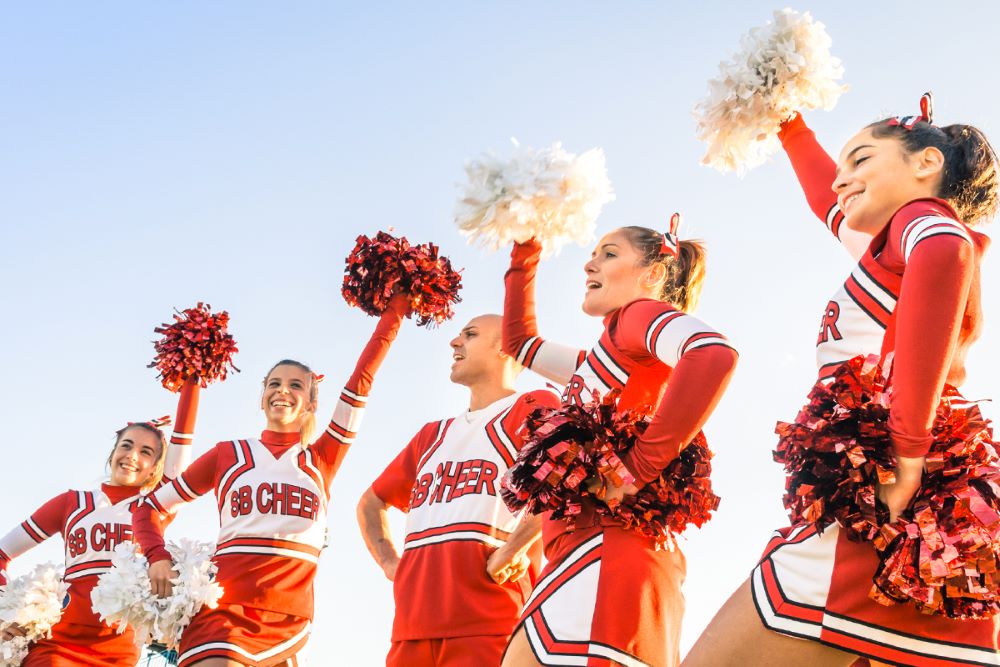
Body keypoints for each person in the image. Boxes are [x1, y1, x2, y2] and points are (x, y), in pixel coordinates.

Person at [684, 96, 999, 666]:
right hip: (916, 508)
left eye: (860, 159)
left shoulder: (922, 220)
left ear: (926, 163)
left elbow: (944, 248)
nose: (841, 180)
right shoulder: (885, 247)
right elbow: (822, 197)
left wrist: (904, 453)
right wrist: (787, 123)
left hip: (887, 500)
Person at [499, 221, 739, 667]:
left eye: (609, 253)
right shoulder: (602, 356)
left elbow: (712, 352)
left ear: (652, 273)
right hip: (584, 553)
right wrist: (526, 246)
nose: (589, 263)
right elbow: (519, 343)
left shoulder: (635, 317)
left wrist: (637, 468)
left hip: (607, 555)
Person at [133, 294, 409, 667]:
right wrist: (157, 557)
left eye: (296, 386)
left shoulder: (321, 458)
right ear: (261, 397)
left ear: (312, 403)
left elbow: (362, 380)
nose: (283, 390)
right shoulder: (228, 456)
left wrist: (397, 309)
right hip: (222, 610)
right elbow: (150, 508)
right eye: (274, 383)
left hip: (289, 618)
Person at [358, 313, 560, 666]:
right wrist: (391, 563)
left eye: (470, 334)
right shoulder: (431, 436)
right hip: (411, 626)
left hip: (491, 621)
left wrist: (514, 549)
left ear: (505, 347)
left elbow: (566, 472)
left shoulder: (532, 405)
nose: (454, 342)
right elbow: (371, 501)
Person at [0, 379, 201, 666]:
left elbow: (183, 440)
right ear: (113, 452)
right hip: (56, 644)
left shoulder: (156, 506)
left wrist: (193, 378)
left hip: (117, 648)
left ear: (157, 466)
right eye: (126, 445)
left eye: (146, 452)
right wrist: (8, 612)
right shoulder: (72, 503)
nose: (132, 456)